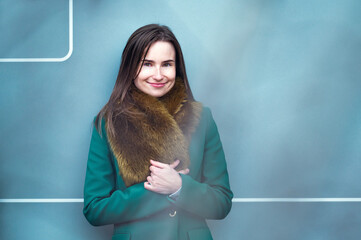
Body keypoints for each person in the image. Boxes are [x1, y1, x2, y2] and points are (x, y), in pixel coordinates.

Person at [83, 24, 233, 240]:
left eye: (167, 64)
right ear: (131, 68)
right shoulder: (108, 123)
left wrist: (180, 187)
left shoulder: (202, 118)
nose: (158, 74)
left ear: (177, 68)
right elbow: (95, 209)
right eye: (147, 64)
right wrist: (155, 191)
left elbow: (222, 202)